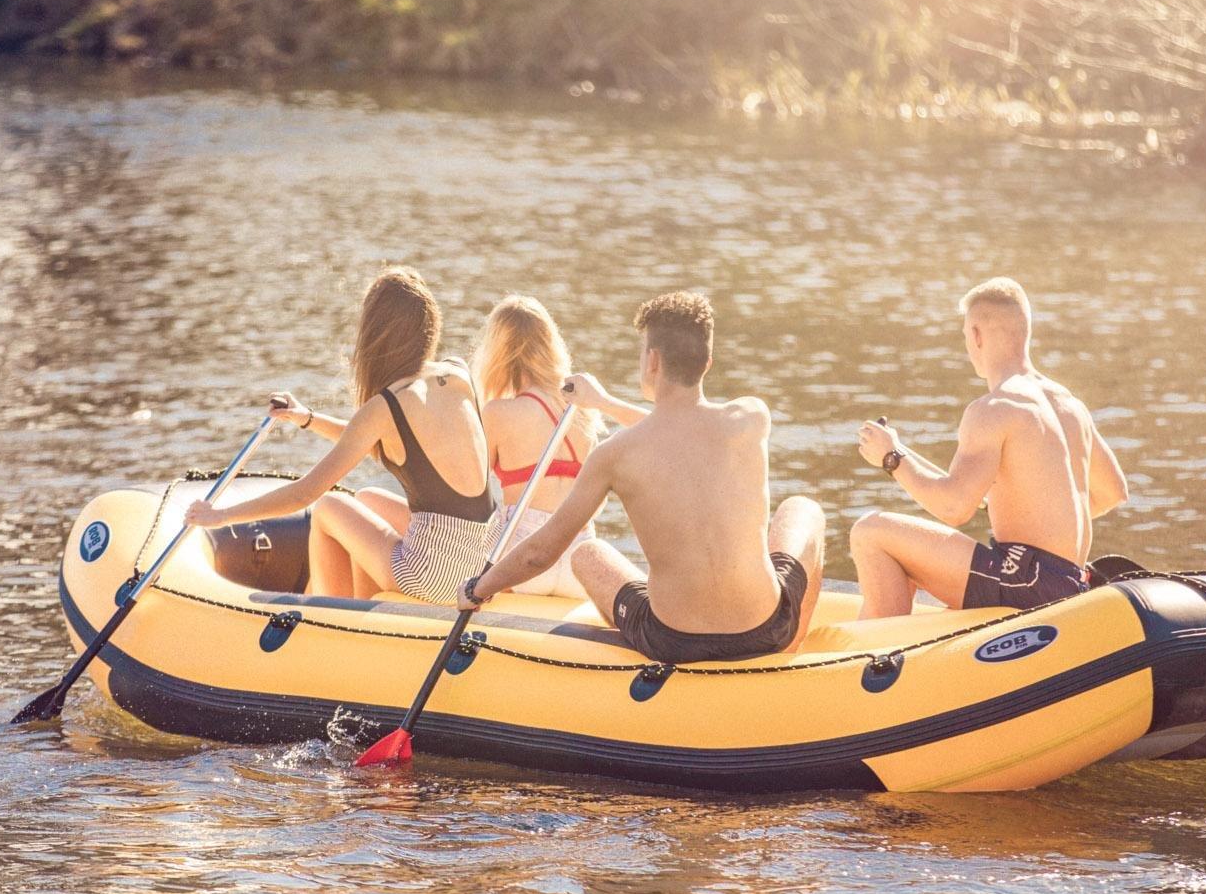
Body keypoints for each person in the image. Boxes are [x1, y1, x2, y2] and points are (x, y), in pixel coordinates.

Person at [460, 292, 826, 664]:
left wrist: (477, 589)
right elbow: (681, 432)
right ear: (708, 362)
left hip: (674, 640)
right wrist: (604, 404)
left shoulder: (616, 455)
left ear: (652, 361)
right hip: (767, 626)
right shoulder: (751, 417)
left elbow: (541, 552)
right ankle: (790, 650)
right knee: (803, 509)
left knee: (588, 554)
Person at [185, 267, 495, 602]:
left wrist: (220, 516)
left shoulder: (386, 406)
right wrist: (307, 418)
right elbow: (371, 442)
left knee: (329, 506)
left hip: (436, 575)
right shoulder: (457, 374)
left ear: (377, 337)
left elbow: (303, 494)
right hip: (486, 558)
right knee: (368, 499)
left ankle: (330, 619)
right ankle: (367, 613)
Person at [849, 277, 1130, 619]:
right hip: (1070, 580)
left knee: (870, 531)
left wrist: (891, 458)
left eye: (966, 336)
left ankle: (874, 661)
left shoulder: (994, 408)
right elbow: (1113, 491)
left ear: (977, 335)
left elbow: (954, 508)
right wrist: (1039, 512)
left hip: (1025, 584)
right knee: (905, 551)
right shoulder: (1069, 405)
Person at [470, 294, 640, 598]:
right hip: (578, 554)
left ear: (497, 352)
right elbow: (596, 501)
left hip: (519, 553)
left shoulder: (498, 412)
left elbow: (470, 487)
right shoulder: (582, 410)